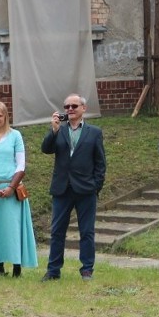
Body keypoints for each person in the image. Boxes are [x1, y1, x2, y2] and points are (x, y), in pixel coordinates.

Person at [41, 93, 106, 281]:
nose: (70, 109)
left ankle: (87, 269)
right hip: (62, 188)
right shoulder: (59, 130)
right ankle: (53, 270)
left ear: (83, 108)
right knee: (57, 231)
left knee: (86, 231)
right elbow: (46, 149)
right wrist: (53, 131)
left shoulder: (94, 132)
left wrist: (95, 186)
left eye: (74, 106)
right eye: (66, 106)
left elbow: (100, 163)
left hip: (85, 189)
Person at [0, 102, 38, 277]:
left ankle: (17, 266)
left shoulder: (15, 136)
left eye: (0, 116)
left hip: (12, 188)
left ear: (5, 117)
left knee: (13, 227)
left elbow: (21, 163)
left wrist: (11, 187)